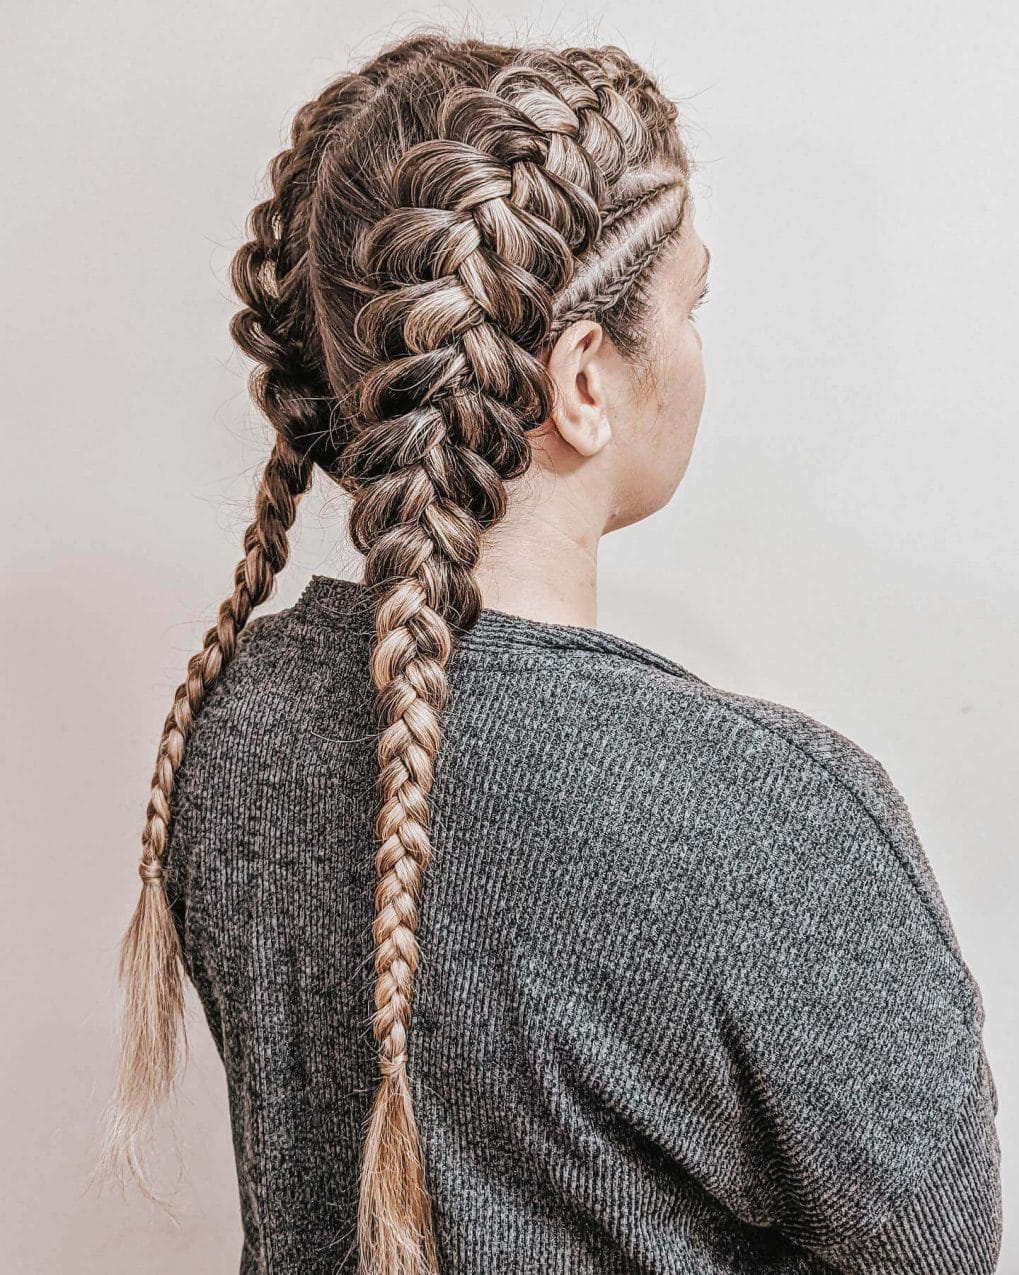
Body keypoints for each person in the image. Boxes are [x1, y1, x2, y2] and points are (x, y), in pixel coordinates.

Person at [96, 32, 1002, 1275]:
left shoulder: (233, 724)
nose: (694, 351)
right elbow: (936, 1249)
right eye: (691, 306)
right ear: (583, 380)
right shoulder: (767, 816)